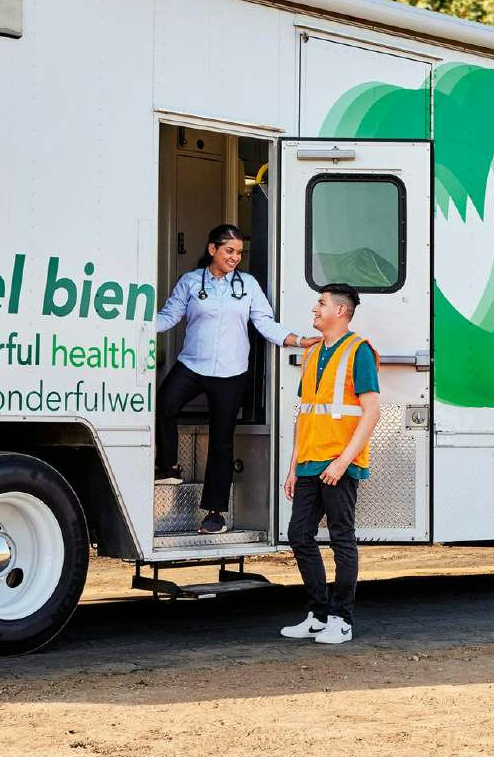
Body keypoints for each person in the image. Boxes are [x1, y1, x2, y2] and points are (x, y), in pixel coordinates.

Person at [155, 223, 317, 534]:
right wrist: (135, 324)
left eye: (239, 252)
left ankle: (215, 514)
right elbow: (169, 316)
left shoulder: (249, 285)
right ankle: (169, 466)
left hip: (231, 374)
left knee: (221, 442)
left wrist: (296, 340)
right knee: (164, 403)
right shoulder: (190, 282)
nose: (235, 257)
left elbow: (265, 323)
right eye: (229, 251)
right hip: (192, 364)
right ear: (212, 250)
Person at [279, 283, 381, 645]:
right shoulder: (312, 354)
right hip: (308, 461)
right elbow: (303, 415)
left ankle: (342, 618)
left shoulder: (359, 351)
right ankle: (318, 614)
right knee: (299, 535)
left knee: (342, 538)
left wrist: (343, 461)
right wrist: (292, 466)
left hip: (339, 462)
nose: (314, 309)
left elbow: (372, 413)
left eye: (320, 303)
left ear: (341, 310)